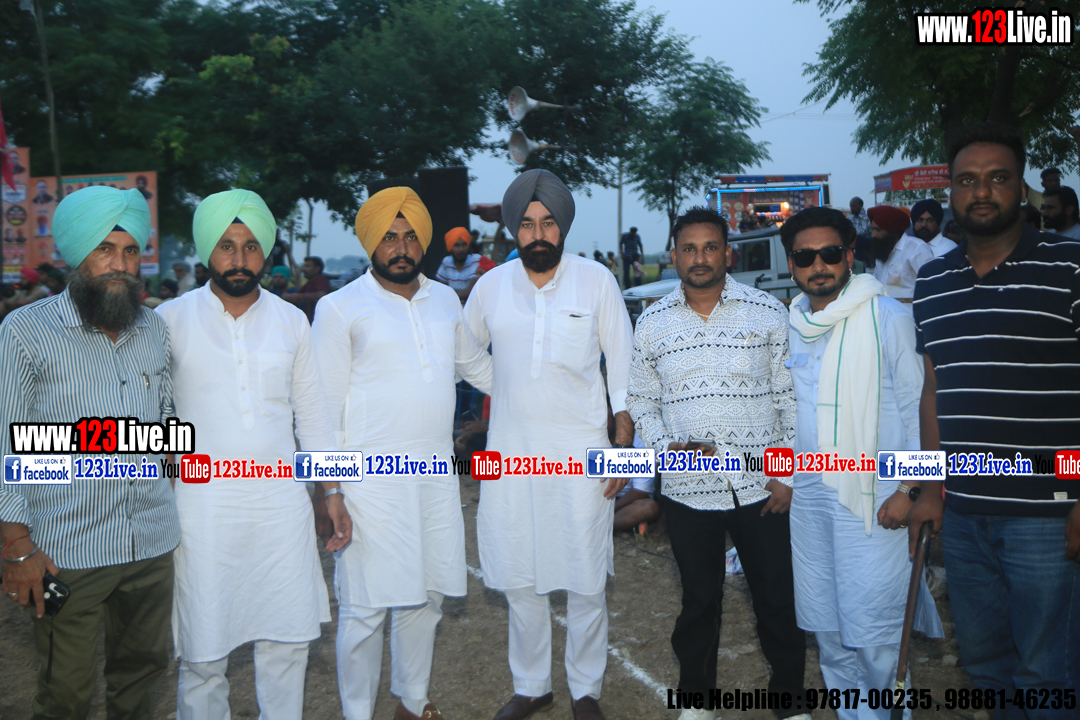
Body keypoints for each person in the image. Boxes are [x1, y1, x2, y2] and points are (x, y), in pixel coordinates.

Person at [157, 188, 351, 720]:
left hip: (278, 506)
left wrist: (332, 491)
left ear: (264, 252)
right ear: (207, 252)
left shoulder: (291, 321)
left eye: (250, 246)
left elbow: (313, 417)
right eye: (226, 246)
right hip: (201, 507)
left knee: (286, 640)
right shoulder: (168, 321)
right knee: (203, 650)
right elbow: (155, 414)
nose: (239, 258)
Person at [909, 123, 1079, 718]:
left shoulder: (1071, 266)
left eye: (998, 178)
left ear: (1022, 187)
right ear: (951, 192)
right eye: (967, 180)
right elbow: (934, 390)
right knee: (985, 665)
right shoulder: (932, 281)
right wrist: (932, 490)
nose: (981, 191)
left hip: (1049, 511)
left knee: (1048, 671)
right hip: (962, 514)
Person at [0, 186, 180, 719]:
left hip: (150, 543)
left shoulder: (153, 328)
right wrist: (16, 548)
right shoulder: (25, 332)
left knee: (142, 676)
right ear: (76, 255)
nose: (119, 265)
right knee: (66, 694)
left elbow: (166, 424)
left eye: (130, 251)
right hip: (67, 552)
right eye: (105, 250)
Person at [313, 187, 492, 720]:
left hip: (434, 475)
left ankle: (412, 702)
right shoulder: (339, 307)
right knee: (365, 607)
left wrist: (547, 388)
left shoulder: (444, 300)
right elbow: (321, 410)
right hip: (368, 483)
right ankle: (357, 713)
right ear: (372, 242)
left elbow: (477, 368)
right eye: (390, 237)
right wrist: (330, 489)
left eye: (411, 236)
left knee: (427, 594)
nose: (401, 247)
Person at [464, 169, 633, 720]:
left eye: (548, 223)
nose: (538, 234)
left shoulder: (596, 280)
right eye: (528, 224)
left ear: (564, 226)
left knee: (585, 577)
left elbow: (622, 367)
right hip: (512, 453)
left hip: (582, 453)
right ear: (515, 229)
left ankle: (585, 691)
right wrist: (505, 384)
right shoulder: (490, 287)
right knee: (520, 573)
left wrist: (624, 446)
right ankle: (531, 685)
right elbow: (465, 353)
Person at [627, 206, 807, 720]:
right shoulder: (653, 322)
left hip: (761, 486)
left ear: (728, 253)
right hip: (688, 489)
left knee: (777, 599)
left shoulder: (767, 312)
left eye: (710, 248)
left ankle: (790, 703)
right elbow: (641, 400)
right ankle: (697, 701)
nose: (700, 258)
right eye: (689, 248)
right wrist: (666, 448)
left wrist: (786, 474)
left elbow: (789, 398)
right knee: (698, 602)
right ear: (674, 256)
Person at [782, 207, 942, 719]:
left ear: (850, 256)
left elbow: (919, 412)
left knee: (874, 636)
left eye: (830, 253)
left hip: (875, 500)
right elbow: (788, 413)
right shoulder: (793, 323)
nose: (819, 265)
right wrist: (782, 478)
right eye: (805, 256)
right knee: (829, 632)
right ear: (791, 264)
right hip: (810, 502)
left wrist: (910, 490)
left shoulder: (888, 317)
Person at [868, 205, 933, 300]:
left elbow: (932, 285)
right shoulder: (882, 251)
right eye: (872, 229)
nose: (873, 235)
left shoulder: (917, 248)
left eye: (878, 230)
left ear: (892, 230)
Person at [435, 226, 482, 303]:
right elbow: (441, 289)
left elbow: (470, 291)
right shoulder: (446, 262)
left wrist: (448, 296)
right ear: (450, 247)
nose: (461, 249)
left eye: (464, 245)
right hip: (451, 306)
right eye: (456, 245)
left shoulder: (474, 260)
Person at [283, 255, 330, 323]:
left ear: (317, 269)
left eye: (307, 266)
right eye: (304, 266)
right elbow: (298, 294)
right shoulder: (310, 282)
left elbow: (322, 294)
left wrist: (299, 297)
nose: (304, 269)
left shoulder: (320, 279)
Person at [848, 197, 872, 264]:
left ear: (860, 206)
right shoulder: (851, 217)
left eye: (854, 206)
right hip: (855, 239)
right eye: (851, 206)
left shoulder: (867, 215)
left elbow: (863, 231)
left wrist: (852, 235)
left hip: (868, 239)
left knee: (858, 238)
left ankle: (860, 260)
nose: (852, 208)